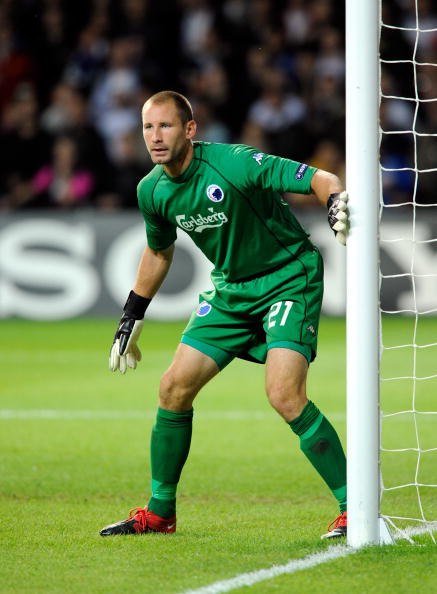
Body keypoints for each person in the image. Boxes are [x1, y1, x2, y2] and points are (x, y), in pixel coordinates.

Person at [100, 90, 349, 540]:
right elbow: (159, 252)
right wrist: (130, 316)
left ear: (190, 130)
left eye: (166, 126)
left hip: (288, 277)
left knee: (283, 394)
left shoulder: (234, 163)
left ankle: (356, 508)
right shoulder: (151, 190)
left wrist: (334, 203)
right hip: (231, 289)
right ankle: (159, 514)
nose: (155, 137)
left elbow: (321, 177)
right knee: (173, 387)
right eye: (147, 128)